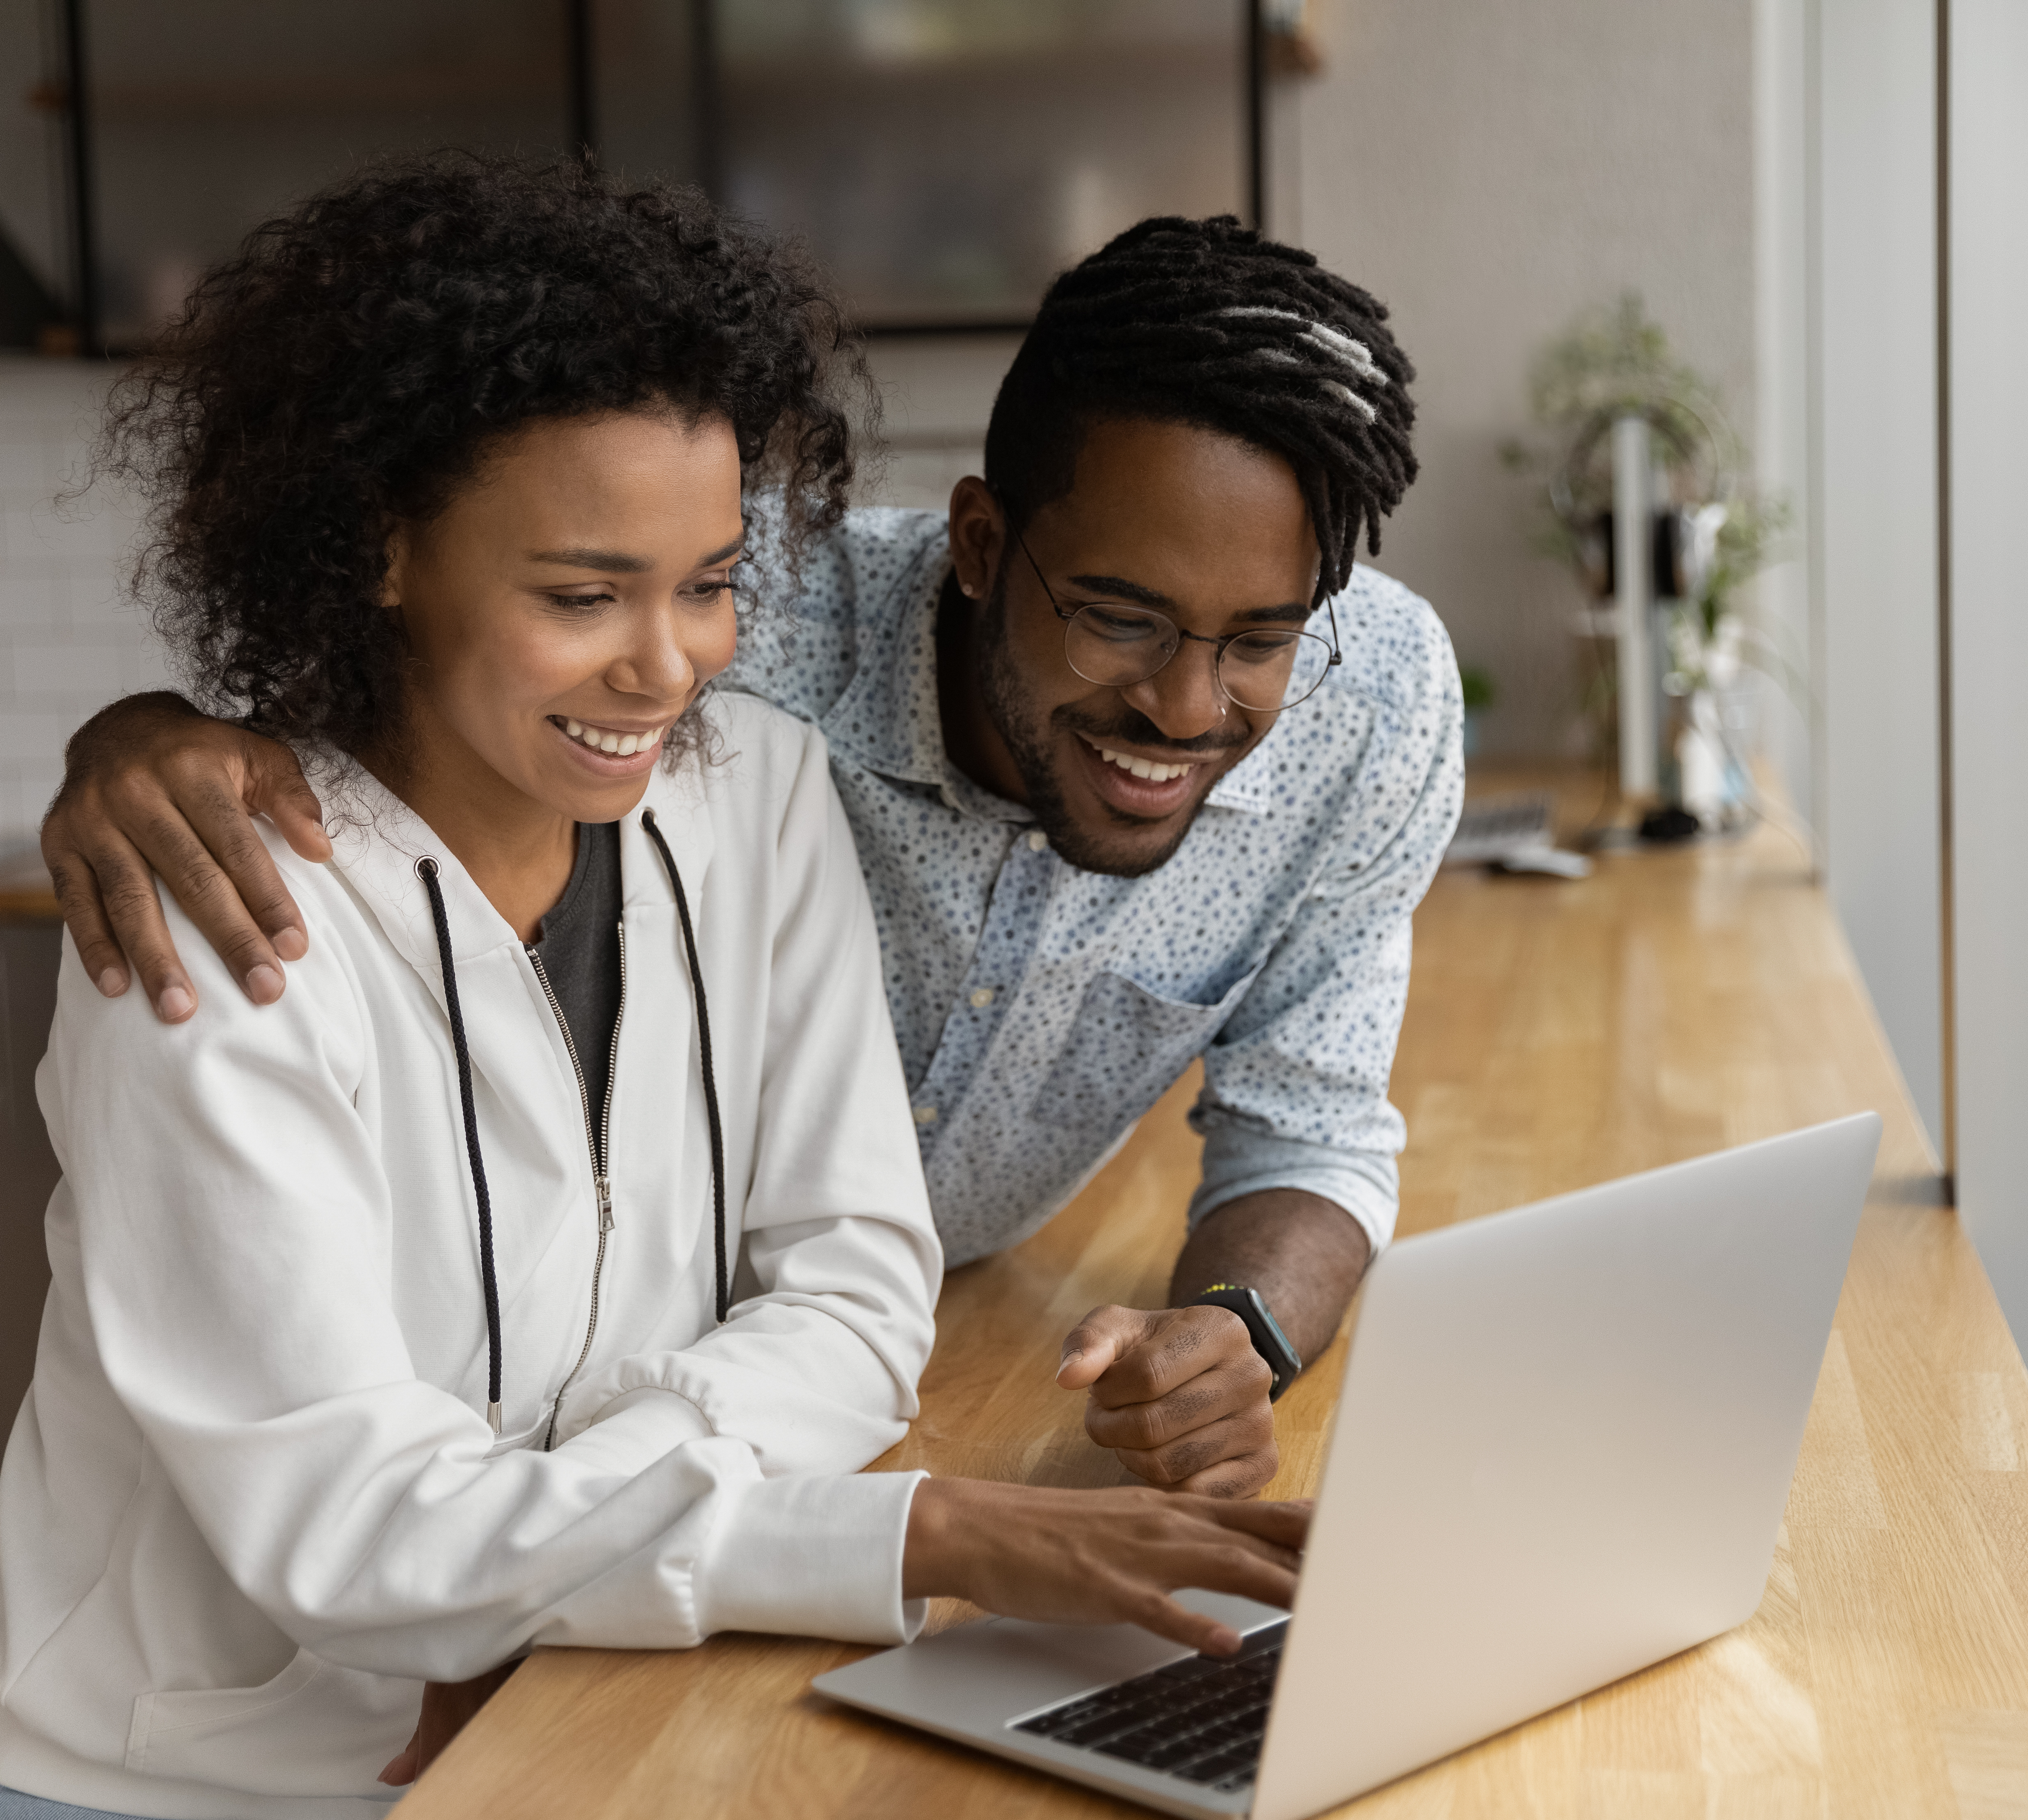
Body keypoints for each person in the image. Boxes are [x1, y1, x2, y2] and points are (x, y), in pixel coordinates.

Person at [0, 156, 1307, 1820]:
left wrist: (540, 1563)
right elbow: (349, 1530)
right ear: (381, 552)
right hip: (192, 1780)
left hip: (573, 1700)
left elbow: (856, 1284)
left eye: (707, 583)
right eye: (581, 594)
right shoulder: (213, 915)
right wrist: (919, 1531)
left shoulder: (751, 789)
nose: (667, 664)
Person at [40, 216, 1463, 1504]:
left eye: (1261, 640)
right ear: (979, 541)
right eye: (1120, 619)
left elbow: (1312, 1124)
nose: (1190, 706)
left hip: (801, 1400)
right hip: (606, 1401)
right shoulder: (751, 631)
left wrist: (1236, 1332)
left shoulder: (1372, 704)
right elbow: (410, 646)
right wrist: (144, 728)